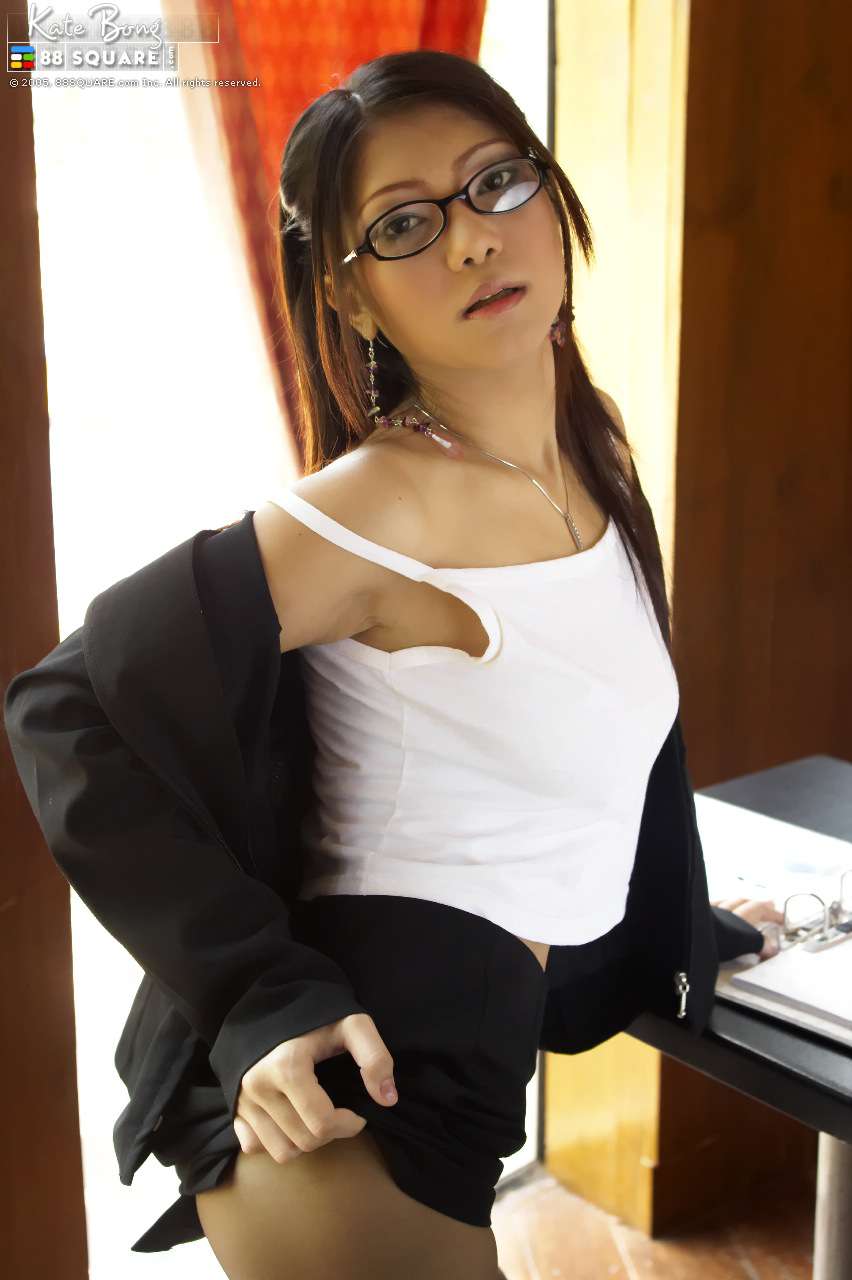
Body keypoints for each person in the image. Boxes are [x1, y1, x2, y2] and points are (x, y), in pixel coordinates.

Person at [3, 50, 770, 1280]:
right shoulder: (378, 510)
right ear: (352, 299)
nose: (470, 238)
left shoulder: (588, 453)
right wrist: (256, 991)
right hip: (343, 1122)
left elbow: (580, 754)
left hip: (456, 1080)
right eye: (405, 224)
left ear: (552, 196)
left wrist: (690, 921)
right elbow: (61, 703)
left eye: (495, 182)